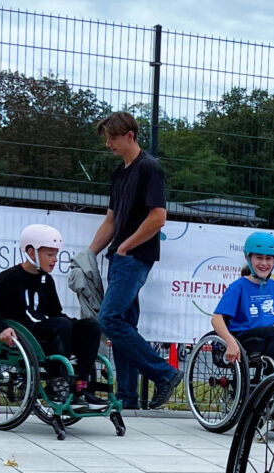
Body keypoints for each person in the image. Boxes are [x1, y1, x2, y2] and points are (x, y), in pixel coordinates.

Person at [90, 111, 180, 411]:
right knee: (123, 323)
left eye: (112, 138)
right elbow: (111, 220)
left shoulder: (148, 168)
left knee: (110, 318)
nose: (108, 144)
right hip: (121, 255)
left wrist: (126, 247)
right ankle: (127, 399)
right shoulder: (120, 173)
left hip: (133, 256)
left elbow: (158, 217)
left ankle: (165, 373)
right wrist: (88, 255)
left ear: (130, 135)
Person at [0, 224, 106, 410]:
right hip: (27, 333)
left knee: (91, 326)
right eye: (49, 255)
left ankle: (80, 387)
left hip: (49, 330)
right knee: (61, 324)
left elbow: (55, 313)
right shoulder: (10, 277)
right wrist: (1, 327)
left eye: (56, 255)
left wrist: (76, 325)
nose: (54, 260)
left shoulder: (46, 280)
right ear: (32, 253)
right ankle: (57, 384)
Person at [211, 232, 274, 368]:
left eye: (269, 258)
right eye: (259, 258)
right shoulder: (238, 287)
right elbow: (216, 318)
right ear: (249, 259)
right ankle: (271, 380)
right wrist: (231, 343)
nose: (264, 263)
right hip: (244, 337)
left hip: (270, 335)